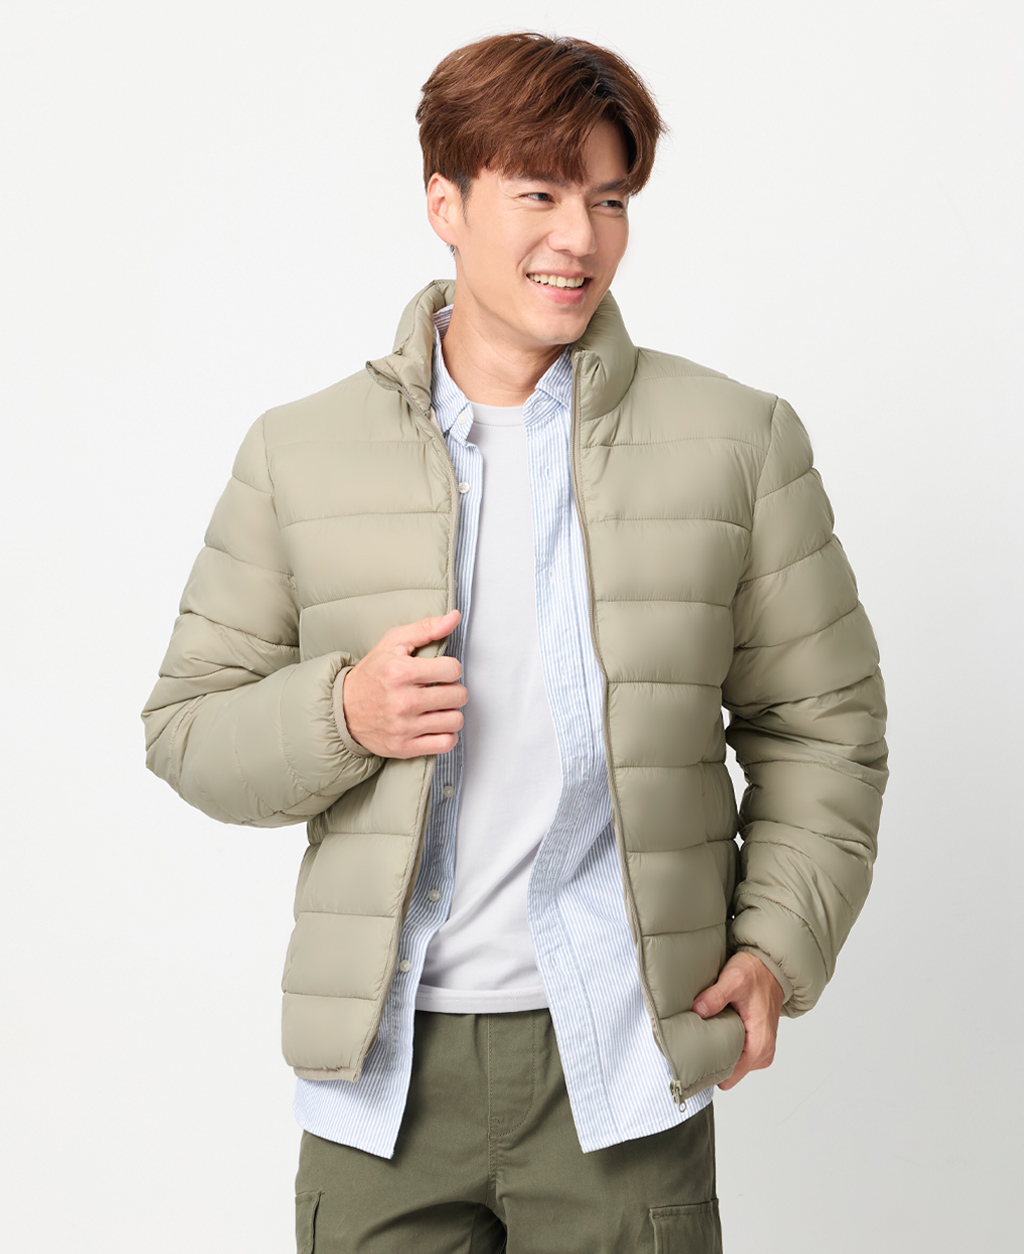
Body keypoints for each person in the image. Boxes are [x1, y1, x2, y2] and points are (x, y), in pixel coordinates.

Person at [141, 30, 888, 1254]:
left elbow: (824, 728)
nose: (579, 237)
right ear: (444, 204)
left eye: (609, 199)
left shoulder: (738, 442)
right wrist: (341, 715)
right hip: (379, 1078)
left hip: (623, 1066)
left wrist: (775, 946)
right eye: (539, 193)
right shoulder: (298, 452)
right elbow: (185, 728)